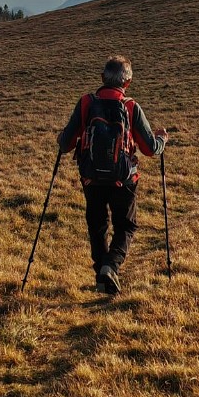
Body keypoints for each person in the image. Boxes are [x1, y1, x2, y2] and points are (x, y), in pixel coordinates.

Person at [57, 56, 167, 295]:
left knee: (97, 226)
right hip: (123, 179)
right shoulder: (130, 107)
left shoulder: (86, 103)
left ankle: (101, 274)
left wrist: (61, 137)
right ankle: (111, 266)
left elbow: (65, 144)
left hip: (91, 178)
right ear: (127, 82)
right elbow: (150, 149)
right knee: (126, 226)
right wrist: (162, 139)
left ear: (102, 79)